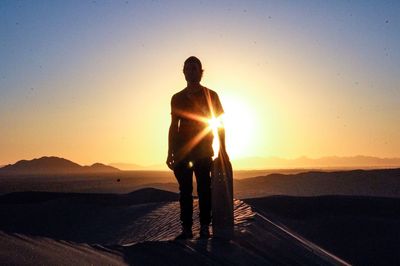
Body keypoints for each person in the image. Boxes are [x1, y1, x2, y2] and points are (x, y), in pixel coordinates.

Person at [167, 56, 228, 239]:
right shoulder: (176, 98)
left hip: (203, 151)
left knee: (204, 189)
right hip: (181, 152)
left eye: (195, 68)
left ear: (201, 72)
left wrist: (222, 149)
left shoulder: (211, 95)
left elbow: (219, 123)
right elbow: (173, 125)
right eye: (188, 68)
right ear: (183, 72)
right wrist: (169, 151)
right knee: (184, 191)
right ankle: (186, 228)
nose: (191, 71)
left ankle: (204, 227)